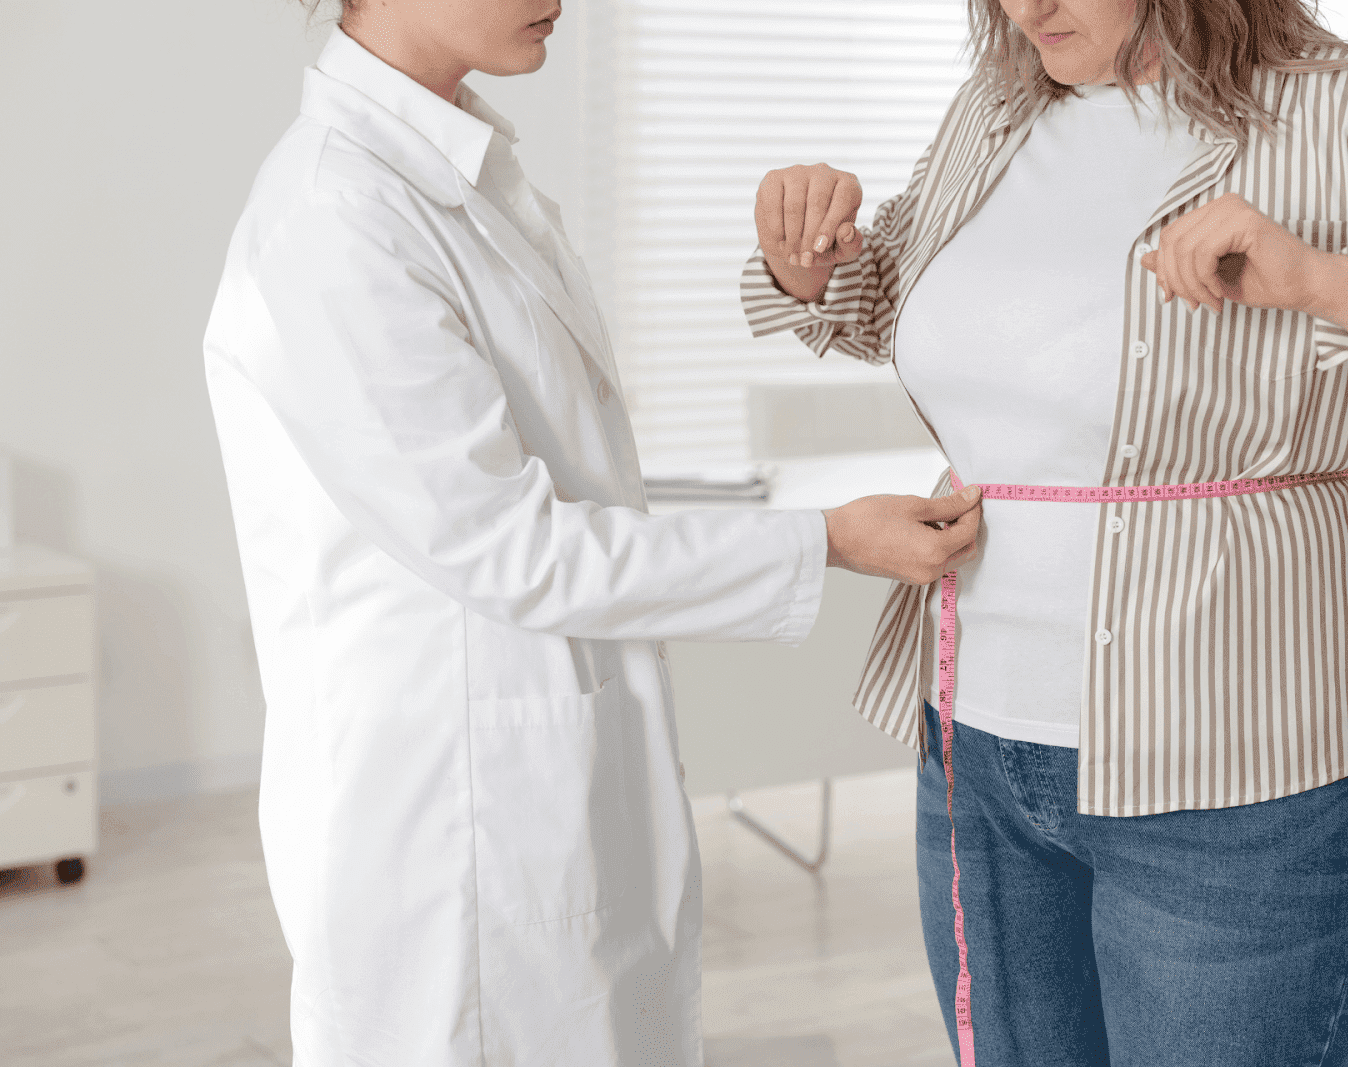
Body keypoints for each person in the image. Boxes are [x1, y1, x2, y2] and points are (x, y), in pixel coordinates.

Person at [742, 0, 1348, 1064]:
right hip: (980, 750)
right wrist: (811, 265)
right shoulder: (998, 105)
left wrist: (1323, 282)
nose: (1025, 9)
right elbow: (904, 309)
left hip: (1241, 772)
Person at [201, 1, 984, 1063]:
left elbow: (562, 488)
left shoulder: (455, 175)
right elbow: (509, 546)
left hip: (536, 782)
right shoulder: (334, 213)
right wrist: (828, 542)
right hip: (446, 820)